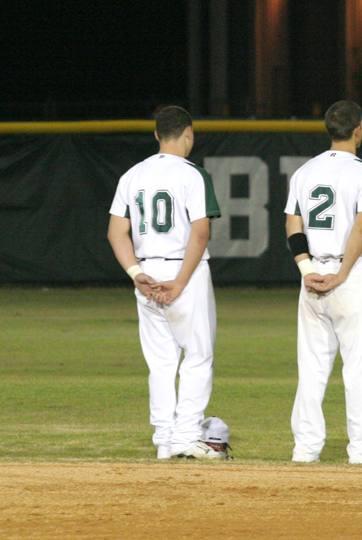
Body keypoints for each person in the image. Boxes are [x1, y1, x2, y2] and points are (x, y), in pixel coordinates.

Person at [107, 105, 224, 460]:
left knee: (160, 362)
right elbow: (200, 233)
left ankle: (163, 440)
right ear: (188, 134)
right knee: (197, 356)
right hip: (183, 273)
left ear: (157, 135)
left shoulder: (132, 175)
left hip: (147, 275)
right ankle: (186, 438)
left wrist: (135, 274)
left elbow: (116, 232)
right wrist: (180, 282)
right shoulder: (193, 174)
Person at [284, 100, 362, 464]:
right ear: (358, 129)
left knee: (311, 367)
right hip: (348, 276)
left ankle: (305, 449)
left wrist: (306, 269)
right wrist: (340, 274)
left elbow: (292, 224)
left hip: (311, 275)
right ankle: (361, 450)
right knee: (358, 366)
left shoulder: (304, 172)